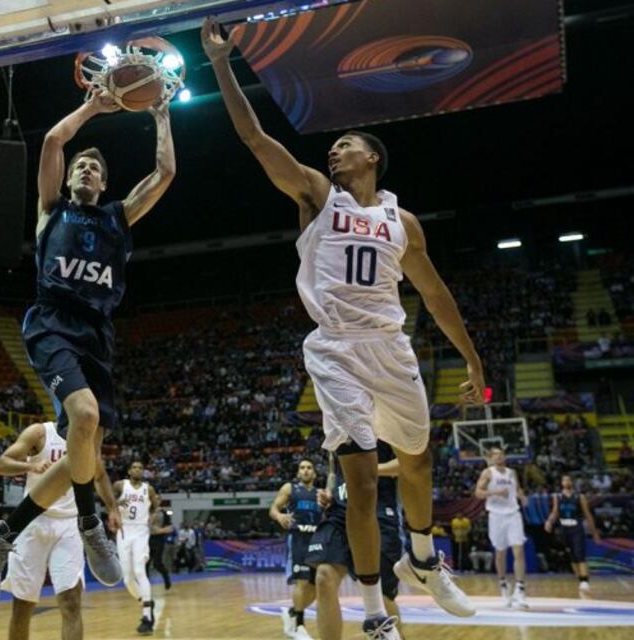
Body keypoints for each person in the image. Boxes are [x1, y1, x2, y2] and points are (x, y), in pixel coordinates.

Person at [201, 17, 483, 639]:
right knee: (357, 480)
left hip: (390, 343)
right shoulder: (315, 196)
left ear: (373, 158)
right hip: (334, 349)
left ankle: (422, 557)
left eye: (347, 146)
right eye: (334, 149)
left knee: (417, 456)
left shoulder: (401, 220)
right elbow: (254, 138)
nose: (335, 151)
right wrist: (222, 63)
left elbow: (434, 294)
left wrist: (472, 359)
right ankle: (376, 615)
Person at [0, 89, 176, 600]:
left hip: (98, 333)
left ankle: (2, 531)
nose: (85, 169)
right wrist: (93, 108)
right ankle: (90, 524)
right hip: (52, 322)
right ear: (68, 177)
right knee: (83, 417)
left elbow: (165, 173)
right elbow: (54, 140)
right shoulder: (51, 210)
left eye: (93, 168)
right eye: (80, 165)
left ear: (105, 183)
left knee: (80, 454)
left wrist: (162, 113)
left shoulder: (117, 218)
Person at [0, 420, 118, 640]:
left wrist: (113, 509)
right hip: (33, 523)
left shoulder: (87, 437)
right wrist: (29, 466)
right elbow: (1, 464)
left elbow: (99, 475)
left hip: (69, 525)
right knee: (23, 605)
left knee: (71, 601)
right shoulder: (40, 432)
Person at [307, 443, 406, 640]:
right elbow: (334, 471)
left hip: (377, 511)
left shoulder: (387, 418)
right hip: (340, 511)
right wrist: (329, 491)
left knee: (382, 595)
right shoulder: (335, 420)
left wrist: (368, 470)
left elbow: (407, 465)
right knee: (324, 576)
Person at [269, 460, 323, 640]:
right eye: (302, 468)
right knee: (302, 582)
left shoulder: (320, 493)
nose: (306, 471)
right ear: (298, 473)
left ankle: (292, 612)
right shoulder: (290, 489)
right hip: (299, 538)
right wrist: (280, 516)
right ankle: (300, 625)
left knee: (316, 589)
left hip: (316, 539)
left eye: (309, 467)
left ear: (314, 473)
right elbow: (273, 508)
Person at [474, 447, 527, 608]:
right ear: (491, 458)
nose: (498, 456)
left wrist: (522, 496)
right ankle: (504, 586)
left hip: (513, 514)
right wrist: (495, 492)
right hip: (496, 515)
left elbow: (517, 489)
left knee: (518, 550)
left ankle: (520, 590)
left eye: (501, 454)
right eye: (495, 454)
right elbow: (478, 493)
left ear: (504, 456)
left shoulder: (512, 473)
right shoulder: (488, 473)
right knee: (500, 553)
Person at [114, 461, 162, 634]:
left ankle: (147, 617)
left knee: (139, 571)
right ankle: (146, 601)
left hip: (141, 531)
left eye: (141, 468)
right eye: (134, 467)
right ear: (129, 470)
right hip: (124, 531)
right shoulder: (120, 485)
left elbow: (157, 507)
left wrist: (152, 518)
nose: (138, 470)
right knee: (127, 579)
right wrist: (118, 504)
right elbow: (108, 504)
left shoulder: (148, 489)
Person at [545, 474, 601, 592]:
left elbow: (587, 515)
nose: (566, 482)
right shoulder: (557, 496)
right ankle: (580, 579)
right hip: (564, 528)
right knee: (572, 557)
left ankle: (584, 580)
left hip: (577, 528)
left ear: (572, 482)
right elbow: (555, 512)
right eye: (564, 480)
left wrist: (594, 532)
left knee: (580, 554)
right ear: (561, 483)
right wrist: (549, 521)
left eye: (568, 480)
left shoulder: (579, 497)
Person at [148, 509, 173, 591]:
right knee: (145, 563)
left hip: (159, 539)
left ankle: (166, 578)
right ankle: (145, 585)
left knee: (157, 563)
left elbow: (170, 528)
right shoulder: (146, 510)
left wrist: (159, 530)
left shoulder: (163, 513)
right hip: (147, 539)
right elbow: (147, 526)